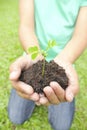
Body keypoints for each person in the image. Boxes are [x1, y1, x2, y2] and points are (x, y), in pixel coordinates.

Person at [8, 0, 87, 130]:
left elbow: (81, 35)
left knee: (61, 126)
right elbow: (26, 27)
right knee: (16, 117)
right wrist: (36, 56)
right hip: (32, 60)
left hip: (63, 62)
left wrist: (65, 61)